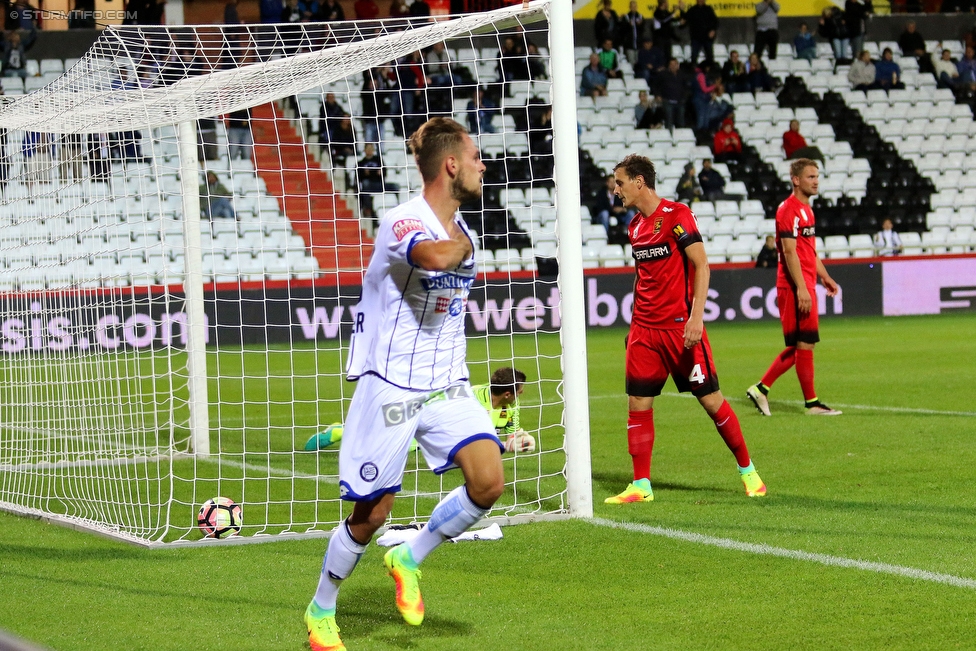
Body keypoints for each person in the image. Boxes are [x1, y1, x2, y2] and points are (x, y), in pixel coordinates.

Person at [303, 117, 503, 651]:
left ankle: (409, 556)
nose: (485, 166)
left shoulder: (466, 232)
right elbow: (433, 257)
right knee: (372, 515)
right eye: (476, 156)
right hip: (390, 383)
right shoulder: (402, 221)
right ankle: (321, 609)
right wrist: (457, 247)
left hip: (444, 382)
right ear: (451, 164)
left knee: (488, 483)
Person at [604, 154, 766, 505]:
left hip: (680, 329)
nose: (616, 189)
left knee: (711, 401)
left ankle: (748, 471)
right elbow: (642, 279)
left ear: (639, 182)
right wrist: (634, 326)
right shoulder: (634, 227)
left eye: (620, 182)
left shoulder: (676, 216)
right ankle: (641, 485)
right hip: (645, 331)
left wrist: (696, 318)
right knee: (637, 402)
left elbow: (701, 266)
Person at [746, 158, 842, 417]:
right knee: (805, 344)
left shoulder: (807, 210)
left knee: (802, 344)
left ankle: (762, 389)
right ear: (796, 180)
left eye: (817, 176)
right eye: (811, 177)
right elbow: (789, 253)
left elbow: (808, 251)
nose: (816, 181)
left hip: (806, 283)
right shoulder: (788, 210)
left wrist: (825, 276)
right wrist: (801, 287)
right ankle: (811, 403)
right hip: (793, 286)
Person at [305, 367, 537, 454]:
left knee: (390, 446)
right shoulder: (471, 396)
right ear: (507, 393)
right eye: (519, 390)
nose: (521, 394)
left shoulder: (511, 407)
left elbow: (510, 433)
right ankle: (338, 432)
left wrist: (520, 440)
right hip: (418, 415)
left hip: (431, 435)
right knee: (376, 437)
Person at [682, 0, 719, 66]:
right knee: (694, 58)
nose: (700, 1)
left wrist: (713, 30)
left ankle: (710, 73)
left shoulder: (708, 9)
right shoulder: (692, 10)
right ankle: (693, 73)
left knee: (710, 58)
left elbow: (715, 21)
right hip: (696, 38)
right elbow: (684, 20)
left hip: (707, 38)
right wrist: (681, 10)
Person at [659, 57, 685, 131]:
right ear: (669, 65)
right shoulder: (663, 74)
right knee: (669, 120)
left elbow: (686, 87)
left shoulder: (682, 75)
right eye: (671, 64)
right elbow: (656, 85)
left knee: (681, 121)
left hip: (679, 101)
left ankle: (680, 137)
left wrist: (684, 98)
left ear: (678, 65)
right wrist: (658, 95)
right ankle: (669, 138)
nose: (673, 66)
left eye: (675, 64)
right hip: (667, 101)